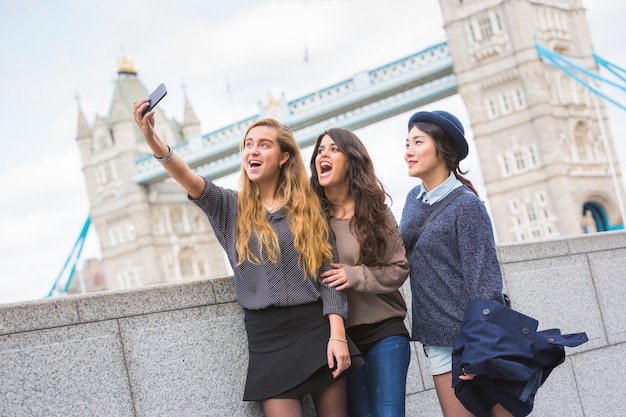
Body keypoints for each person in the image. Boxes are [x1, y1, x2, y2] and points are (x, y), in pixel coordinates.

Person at [133, 98, 363, 417]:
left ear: (283, 157)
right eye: (248, 145)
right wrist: (151, 138)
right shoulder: (229, 207)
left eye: (264, 145)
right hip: (267, 338)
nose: (252, 151)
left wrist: (337, 336)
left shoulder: (310, 209)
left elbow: (330, 278)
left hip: (317, 330)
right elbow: (185, 175)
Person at [398, 110, 512, 417]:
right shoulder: (412, 199)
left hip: (474, 341)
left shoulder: (467, 205)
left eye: (417, 141)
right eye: (406, 142)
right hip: (437, 340)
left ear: (443, 147)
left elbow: (485, 282)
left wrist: (479, 350)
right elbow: (395, 256)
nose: (408, 150)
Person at [310, 127, 411, 417]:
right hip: (340, 341)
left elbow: (399, 268)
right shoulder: (310, 220)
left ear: (352, 160)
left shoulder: (376, 212)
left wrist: (354, 275)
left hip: (385, 332)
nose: (323, 155)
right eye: (320, 150)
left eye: (333, 149)